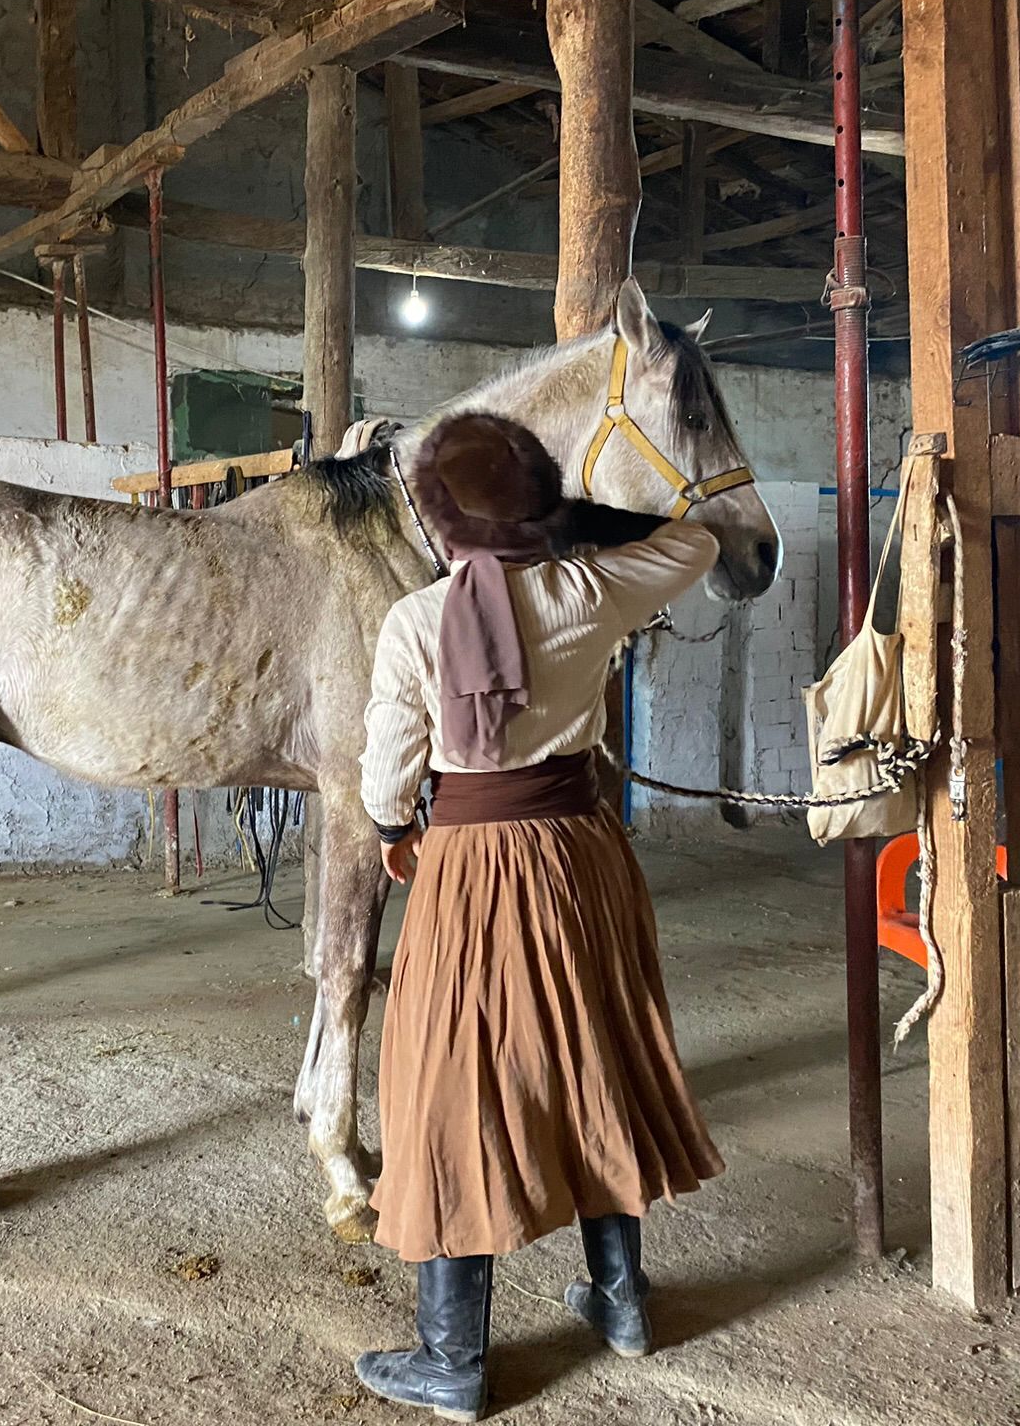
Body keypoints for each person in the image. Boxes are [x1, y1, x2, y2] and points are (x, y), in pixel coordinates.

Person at [354, 413, 727, 1422]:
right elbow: (697, 539)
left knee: (452, 1085)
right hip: (577, 853)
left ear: (437, 521)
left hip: (469, 865)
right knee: (595, 1054)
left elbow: (388, 779)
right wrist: (584, 525)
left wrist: (395, 827)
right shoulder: (590, 588)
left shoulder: (415, 622)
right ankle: (620, 1304)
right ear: (538, 506)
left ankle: (452, 1361)